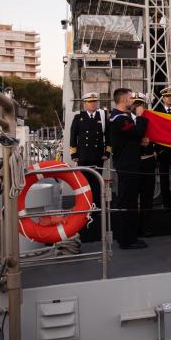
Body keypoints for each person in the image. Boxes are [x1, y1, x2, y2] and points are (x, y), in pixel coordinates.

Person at [109, 88, 149, 249]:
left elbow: (129, 138)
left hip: (129, 164)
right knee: (128, 202)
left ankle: (129, 236)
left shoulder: (121, 118)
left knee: (131, 201)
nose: (133, 101)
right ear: (124, 99)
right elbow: (137, 131)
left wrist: (140, 142)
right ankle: (126, 240)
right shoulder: (119, 119)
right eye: (131, 98)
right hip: (127, 166)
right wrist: (140, 116)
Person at [69, 92, 110, 241]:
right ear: (85, 103)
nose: (93, 104)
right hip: (84, 156)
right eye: (90, 102)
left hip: (98, 156)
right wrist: (74, 155)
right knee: (84, 183)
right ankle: (85, 207)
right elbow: (73, 136)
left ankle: (97, 209)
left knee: (97, 182)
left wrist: (107, 152)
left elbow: (108, 135)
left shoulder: (102, 117)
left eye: (94, 102)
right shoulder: (78, 117)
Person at [132, 93, 157, 237]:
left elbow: (157, 135)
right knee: (133, 196)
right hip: (134, 162)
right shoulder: (127, 120)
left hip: (148, 161)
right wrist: (139, 141)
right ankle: (134, 226)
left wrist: (150, 142)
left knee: (147, 197)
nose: (138, 107)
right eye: (136, 104)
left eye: (141, 104)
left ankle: (145, 225)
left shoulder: (150, 119)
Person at [155, 86, 171, 207]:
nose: (169, 99)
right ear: (163, 98)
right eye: (167, 97)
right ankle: (166, 204)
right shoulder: (158, 113)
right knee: (164, 180)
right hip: (163, 152)